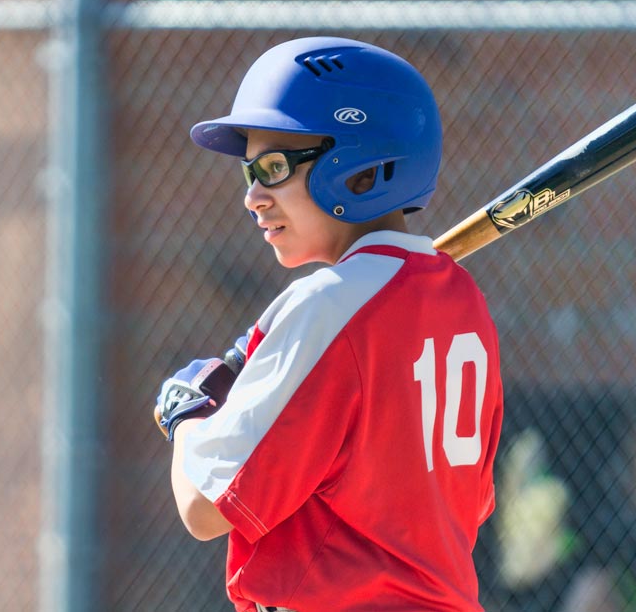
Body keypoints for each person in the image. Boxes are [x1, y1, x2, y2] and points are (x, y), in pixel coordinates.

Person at [154, 36, 504, 612]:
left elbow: (204, 509)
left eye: (274, 167)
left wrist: (187, 413)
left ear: (362, 172)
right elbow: (469, 503)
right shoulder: (464, 301)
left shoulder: (327, 306)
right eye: (250, 172)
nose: (254, 197)